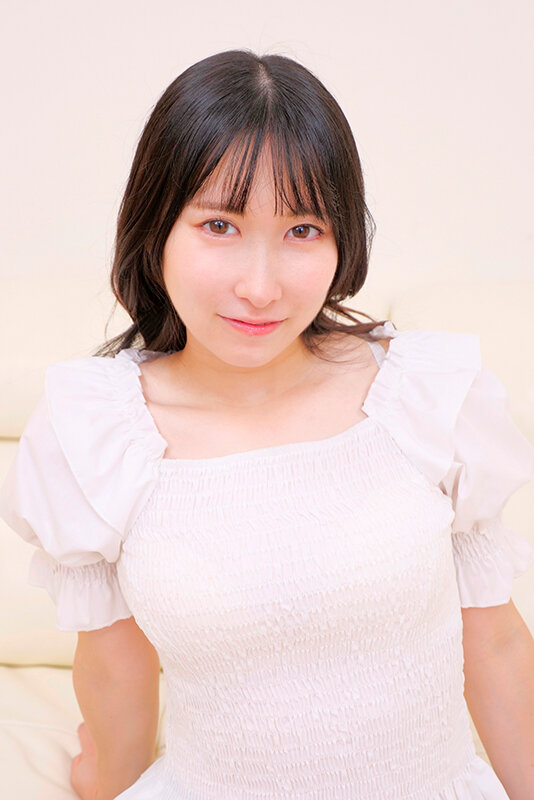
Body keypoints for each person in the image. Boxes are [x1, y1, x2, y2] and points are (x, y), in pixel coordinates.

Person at [1, 48, 533, 800]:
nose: (260, 286)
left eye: (303, 229)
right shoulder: (99, 433)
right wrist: (105, 780)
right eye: (219, 224)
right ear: (157, 230)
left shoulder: (424, 397)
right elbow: (117, 668)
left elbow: (496, 641)